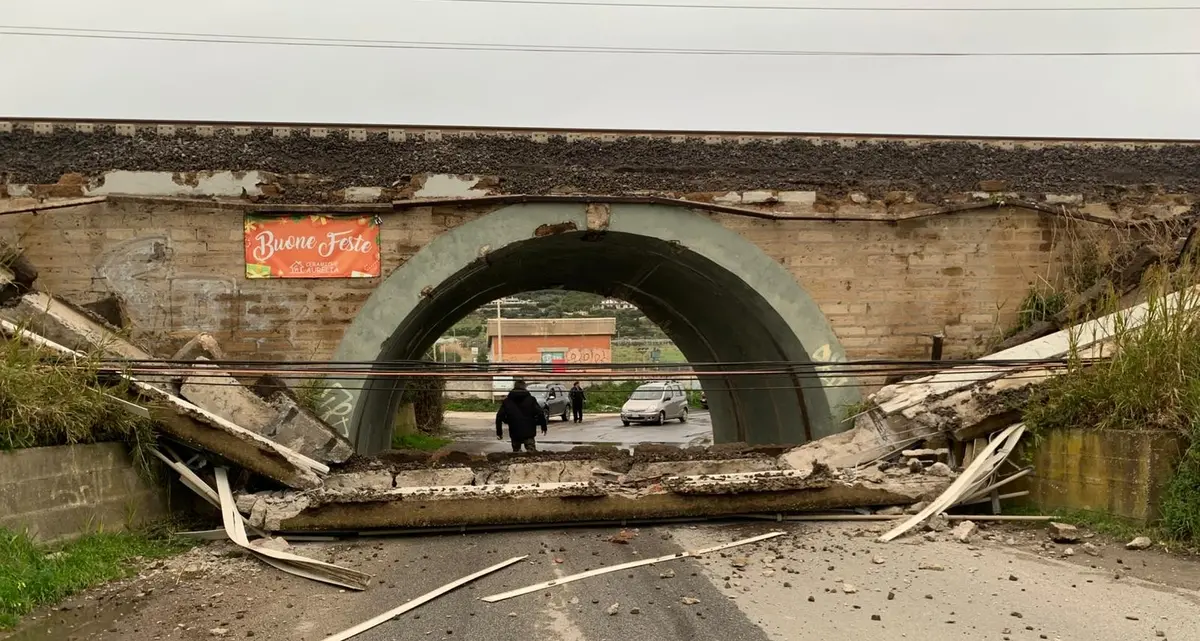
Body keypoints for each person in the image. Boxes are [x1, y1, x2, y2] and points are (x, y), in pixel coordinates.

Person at [495, 379, 547, 452]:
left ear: (514, 387)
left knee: (516, 454)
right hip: (529, 431)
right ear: (525, 387)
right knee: (532, 454)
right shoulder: (531, 400)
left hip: (514, 431)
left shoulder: (507, 401)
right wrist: (543, 426)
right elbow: (540, 413)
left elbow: (499, 416)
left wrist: (500, 431)